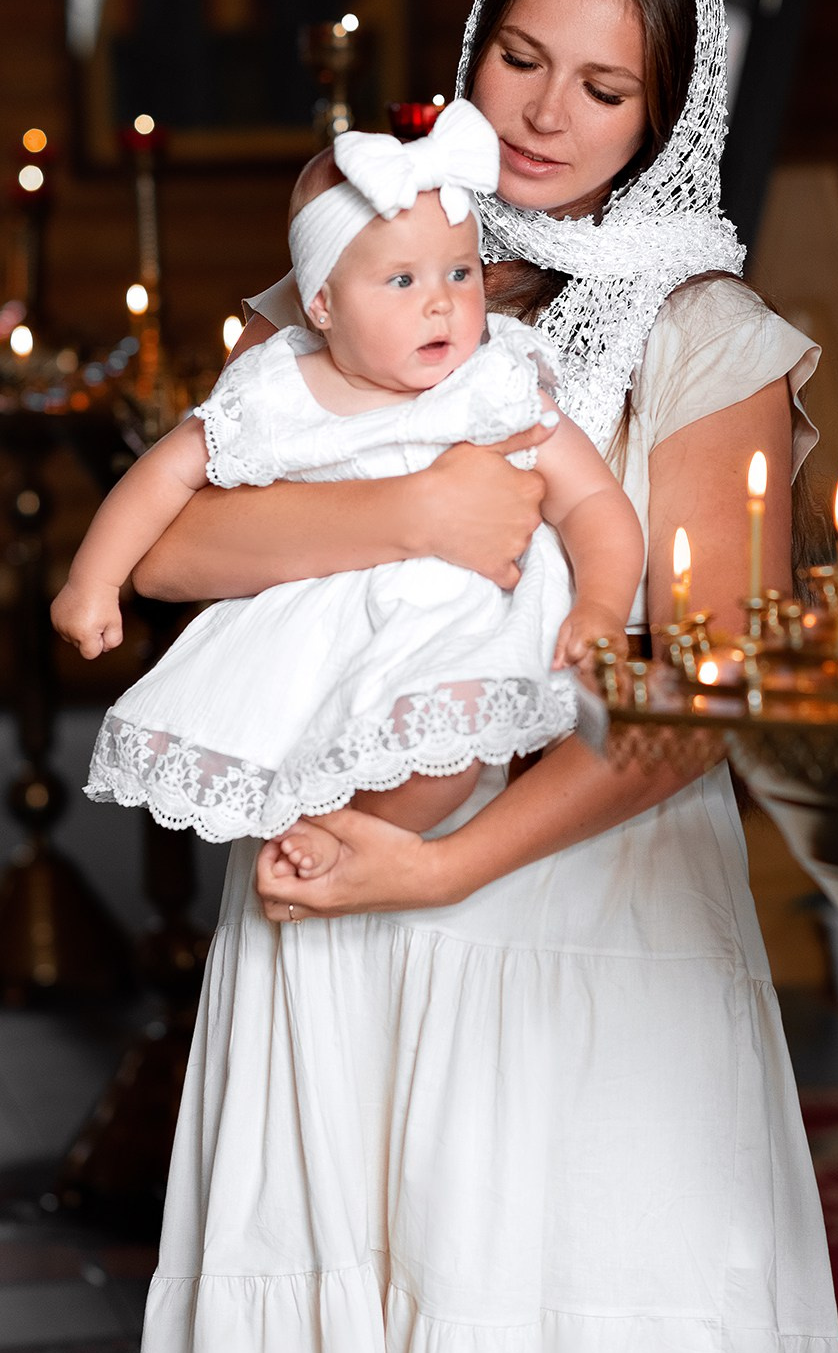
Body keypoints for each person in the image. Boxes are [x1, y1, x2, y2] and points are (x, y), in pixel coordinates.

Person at [124, 0, 838, 1353]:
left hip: (571, 910)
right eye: (519, 59)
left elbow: (698, 697)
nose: (540, 114)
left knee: (556, 1339)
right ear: (473, 50)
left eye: (601, 91)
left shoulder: (707, 334)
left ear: (667, 117)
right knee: (338, 1317)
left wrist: (447, 872)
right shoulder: (367, 265)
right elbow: (171, 548)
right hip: (333, 885)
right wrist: (407, 510)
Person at [54, 101, 641, 852]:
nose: (441, 302)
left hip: (443, 631)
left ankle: (349, 845)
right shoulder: (279, 389)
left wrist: (599, 603)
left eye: (460, 272)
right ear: (321, 303)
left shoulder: (489, 384)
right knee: (276, 739)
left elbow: (592, 499)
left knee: (441, 762)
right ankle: (307, 826)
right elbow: (164, 472)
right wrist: (93, 581)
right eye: (401, 280)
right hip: (312, 637)